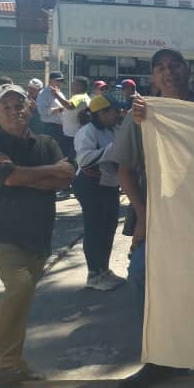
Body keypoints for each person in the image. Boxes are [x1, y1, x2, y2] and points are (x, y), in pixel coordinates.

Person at [109, 48, 194, 388]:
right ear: (153, 78)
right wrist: (143, 215)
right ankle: (159, 359)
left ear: (187, 70)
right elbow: (124, 169)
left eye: (174, 65)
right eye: (160, 68)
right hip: (159, 218)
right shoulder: (142, 114)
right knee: (141, 277)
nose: (168, 72)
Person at [0, 84, 74, 388]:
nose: (14, 110)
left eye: (19, 104)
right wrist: (42, 174)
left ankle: (15, 362)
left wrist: (20, 176)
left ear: (30, 108)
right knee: (18, 287)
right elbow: (11, 178)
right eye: (6, 106)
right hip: (3, 235)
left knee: (24, 298)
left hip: (39, 233)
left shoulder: (45, 142)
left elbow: (67, 176)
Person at [73, 94, 127, 292]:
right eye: (115, 110)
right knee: (95, 228)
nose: (118, 113)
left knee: (109, 226)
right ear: (102, 113)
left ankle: (104, 270)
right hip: (90, 185)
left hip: (109, 184)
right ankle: (94, 274)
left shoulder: (113, 128)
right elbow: (84, 160)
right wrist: (111, 149)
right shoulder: (87, 132)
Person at [35, 71, 70, 154]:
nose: (59, 83)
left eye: (61, 81)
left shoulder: (59, 93)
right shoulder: (44, 93)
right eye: (57, 80)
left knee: (59, 152)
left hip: (60, 127)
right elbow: (42, 111)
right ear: (50, 81)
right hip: (50, 128)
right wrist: (59, 109)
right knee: (50, 152)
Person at [61, 75, 91, 164]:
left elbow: (70, 106)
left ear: (80, 86)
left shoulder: (78, 97)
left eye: (74, 84)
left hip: (72, 136)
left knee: (70, 162)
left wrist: (56, 95)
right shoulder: (84, 97)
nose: (72, 85)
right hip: (77, 135)